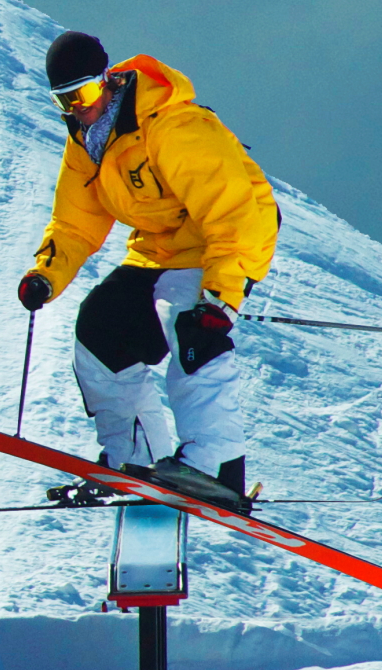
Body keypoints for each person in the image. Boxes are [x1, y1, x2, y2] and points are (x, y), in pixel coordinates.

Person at [15, 30, 279, 514]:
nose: (78, 108)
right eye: (65, 100)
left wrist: (221, 295)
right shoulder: (86, 142)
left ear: (108, 81)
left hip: (222, 240)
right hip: (157, 254)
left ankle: (216, 465)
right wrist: (45, 274)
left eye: (86, 94)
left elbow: (234, 212)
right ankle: (136, 459)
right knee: (100, 331)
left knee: (191, 324)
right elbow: (75, 222)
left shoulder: (172, 126)